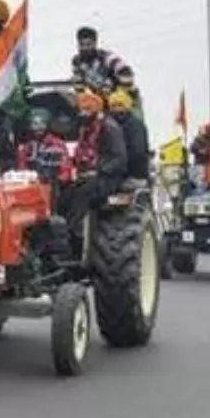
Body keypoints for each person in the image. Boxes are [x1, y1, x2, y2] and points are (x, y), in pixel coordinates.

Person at [54, 90, 127, 257]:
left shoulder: (109, 128)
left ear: (96, 110)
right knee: (63, 193)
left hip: (108, 178)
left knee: (83, 194)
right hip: (86, 176)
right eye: (82, 109)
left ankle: (74, 234)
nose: (83, 113)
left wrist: (97, 170)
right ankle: (60, 235)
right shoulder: (84, 128)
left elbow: (119, 159)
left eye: (87, 109)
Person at [70, 26, 135, 99]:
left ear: (95, 43)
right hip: (96, 100)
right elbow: (79, 85)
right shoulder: (77, 61)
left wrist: (120, 91)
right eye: (82, 45)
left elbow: (125, 71)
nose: (85, 48)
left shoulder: (107, 57)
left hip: (118, 98)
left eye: (88, 44)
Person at [107, 89, 150, 181]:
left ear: (126, 106)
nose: (117, 109)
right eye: (113, 106)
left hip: (133, 173)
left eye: (120, 105)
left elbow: (137, 152)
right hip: (115, 170)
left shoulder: (135, 125)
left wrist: (116, 166)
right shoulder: (108, 124)